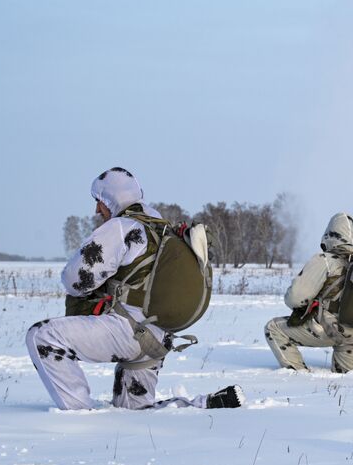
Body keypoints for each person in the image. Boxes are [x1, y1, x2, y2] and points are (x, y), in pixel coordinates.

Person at [26, 168, 243, 410]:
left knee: (43, 336)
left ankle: (79, 416)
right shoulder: (160, 226)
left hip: (127, 332)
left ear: (112, 199)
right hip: (157, 339)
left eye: (99, 201)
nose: (97, 210)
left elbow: (75, 280)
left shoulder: (122, 227)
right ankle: (203, 406)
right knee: (135, 413)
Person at [264, 213, 353, 377]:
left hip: (326, 329)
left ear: (328, 236)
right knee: (348, 375)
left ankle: (299, 377)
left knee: (273, 328)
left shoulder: (325, 260)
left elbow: (295, 298)